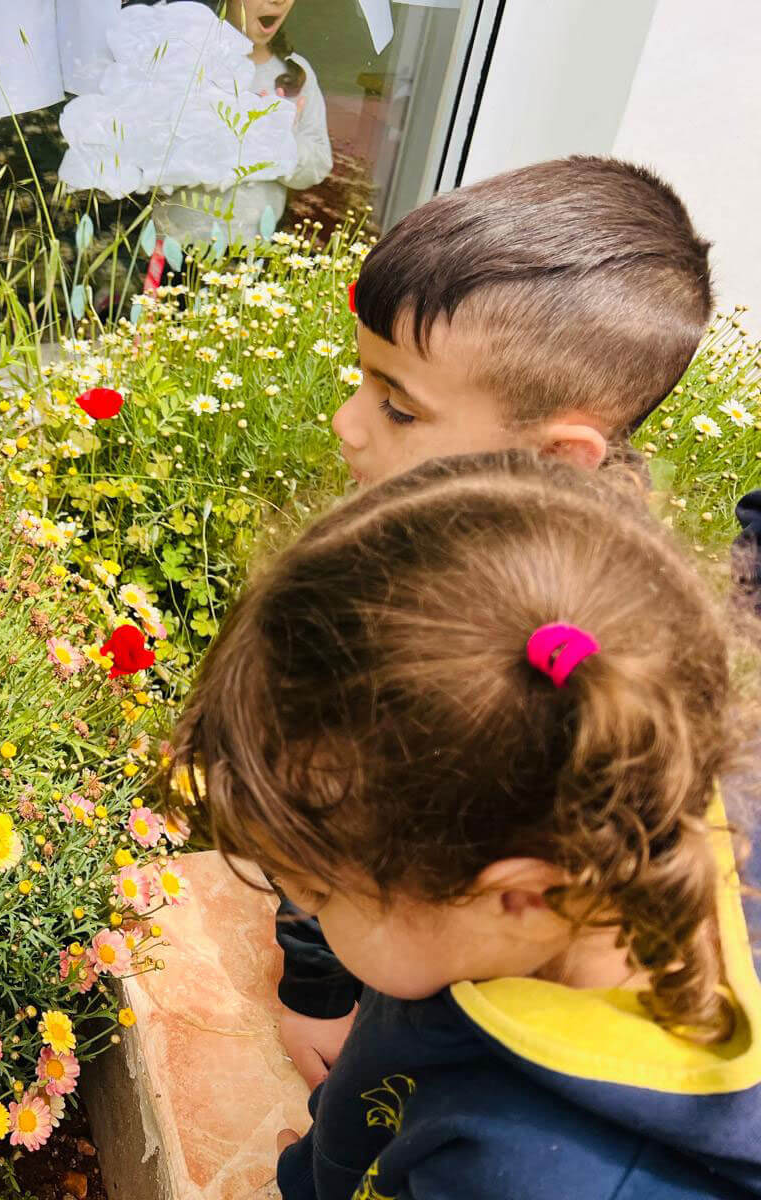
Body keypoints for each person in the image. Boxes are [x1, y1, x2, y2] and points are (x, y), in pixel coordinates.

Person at [174, 452, 761, 1199]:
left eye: (319, 895)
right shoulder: (563, 830)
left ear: (519, 898)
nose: (305, 912)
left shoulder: (530, 1177)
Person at [274, 156, 716, 1088]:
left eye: (397, 404)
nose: (349, 424)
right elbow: (319, 815)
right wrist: (319, 989)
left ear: (559, 456)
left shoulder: (609, 622)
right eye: (364, 379)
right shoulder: (398, 554)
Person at [152, 0, 331, 247]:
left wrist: (280, 144)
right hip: (176, 248)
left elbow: (319, 162)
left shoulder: (296, 74)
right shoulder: (187, 62)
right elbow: (151, 157)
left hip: (252, 254)